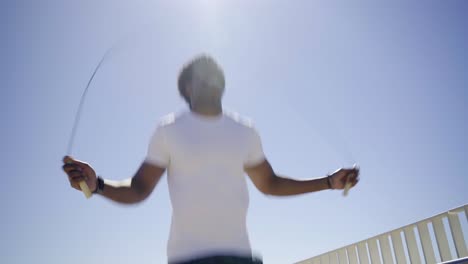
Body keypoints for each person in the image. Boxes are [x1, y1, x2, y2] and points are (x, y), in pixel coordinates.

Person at [62, 55, 360, 264]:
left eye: (215, 73)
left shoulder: (245, 131)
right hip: (187, 259)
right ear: (188, 88)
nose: (211, 78)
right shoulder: (168, 130)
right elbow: (139, 189)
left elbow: (269, 184)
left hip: (240, 258)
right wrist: (98, 184)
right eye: (202, 75)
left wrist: (328, 182)